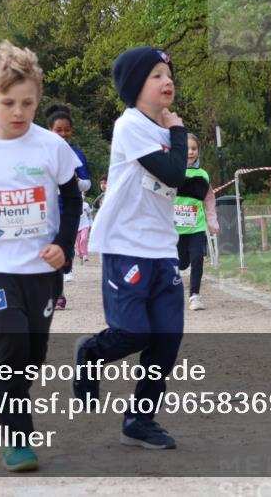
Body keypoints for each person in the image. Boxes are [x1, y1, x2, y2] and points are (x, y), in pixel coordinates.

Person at [0, 41, 82, 472]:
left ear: (37, 100)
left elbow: (71, 197)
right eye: (8, 103)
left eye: (28, 102)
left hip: (42, 266)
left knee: (33, 351)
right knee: (10, 340)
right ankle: (18, 437)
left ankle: (2, 386)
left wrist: (63, 244)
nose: (18, 112)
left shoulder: (52, 147)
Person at [75, 45, 187, 450]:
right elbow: (173, 174)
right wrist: (178, 132)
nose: (167, 81)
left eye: (168, 74)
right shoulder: (131, 125)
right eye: (156, 75)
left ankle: (140, 419)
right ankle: (91, 352)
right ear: (134, 86)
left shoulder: (163, 130)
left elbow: (178, 181)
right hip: (126, 243)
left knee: (167, 336)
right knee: (135, 332)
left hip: (162, 247)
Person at [46, 104, 91, 293]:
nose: (63, 134)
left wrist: (75, 181)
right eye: (58, 130)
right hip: (48, 210)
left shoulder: (76, 154)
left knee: (65, 249)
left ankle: (67, 265)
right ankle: (58, 294)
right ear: (49, 130)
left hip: (70, 209)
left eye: (67, 130)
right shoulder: (42, 152)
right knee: (52, 250)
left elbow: (87, 184)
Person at [175, 133, 219, 310]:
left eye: (193, 149)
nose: (190, 152)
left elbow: (209, 199)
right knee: (182, 263)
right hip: (175, 228)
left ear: (198, 151)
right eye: (186, 149)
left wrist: (212, 221)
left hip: (196, 226)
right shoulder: (171, 172)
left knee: (197, 258)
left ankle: (195, 296)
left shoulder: (203, 175)